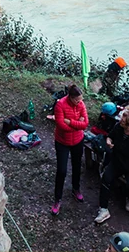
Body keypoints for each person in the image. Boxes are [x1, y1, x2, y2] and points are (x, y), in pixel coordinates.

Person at [94, 110, 129, 224]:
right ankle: (103, 209)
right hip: (118, 159)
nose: (120, 122)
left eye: (123, 121)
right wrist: (109, 142)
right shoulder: (118, 127)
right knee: (106, 179)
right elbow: (110, 136)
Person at [52, 84, 89, 215]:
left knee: (77, 166)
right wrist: (77, 123)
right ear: (71, 98)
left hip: (78, 141)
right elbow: (61, 125)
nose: (80, 102)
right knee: (61, 170)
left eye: (81, 100)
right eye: (77, 100)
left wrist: (71, 122)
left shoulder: (81, 104)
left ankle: (76, 189)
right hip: (62, 142)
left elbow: (85, 124)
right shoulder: (60, 105)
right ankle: (57, 199)